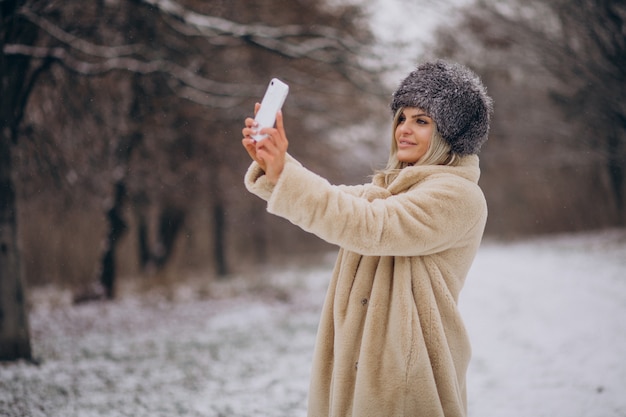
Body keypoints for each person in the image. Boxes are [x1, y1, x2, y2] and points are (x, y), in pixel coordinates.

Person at [241, 60, 493, 417]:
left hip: (405, 375)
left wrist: (284, 172)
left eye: (421, 121)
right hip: (361, 367)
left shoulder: (457, 196)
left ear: (449, 133)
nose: (403, 129)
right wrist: (275, 167)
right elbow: (338, 201)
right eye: (401, 118)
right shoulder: (392, 190)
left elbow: (370, 226)